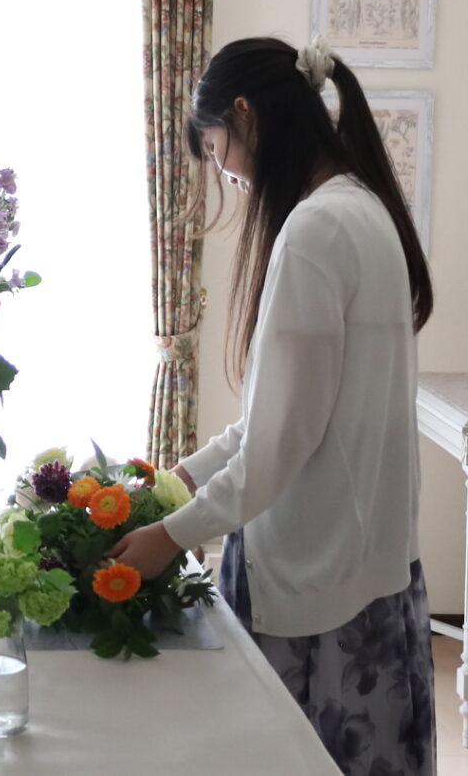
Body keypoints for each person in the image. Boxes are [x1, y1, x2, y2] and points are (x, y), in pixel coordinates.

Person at [109, 37, 436, 774]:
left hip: (317, 576)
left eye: (215, 148)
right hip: (371, 562)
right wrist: (181, 478)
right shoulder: (361, 207)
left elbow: (282, 440)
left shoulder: (315, 230)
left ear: (246, 114)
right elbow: (283, 413)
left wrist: (172, 534)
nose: (225, 170)